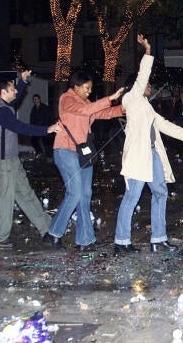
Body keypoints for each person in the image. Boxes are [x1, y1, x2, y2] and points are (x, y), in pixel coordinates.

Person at [114, 35, 183, 254]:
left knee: (160, 193)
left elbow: (162, 124)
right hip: (137, 156)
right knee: (132, 197)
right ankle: (121, 241)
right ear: (137, 86)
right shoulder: (131, 99)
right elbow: (142, 77)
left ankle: (158, 238)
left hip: (152, 154)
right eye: (147, 85)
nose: (150, 87)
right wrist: (148, 51)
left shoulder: (145, 105)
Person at [44, 71, 125, 251]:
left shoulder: (86, 102)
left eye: (90, 88)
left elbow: (103, 112)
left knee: (85, 194)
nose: (89, 91)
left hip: (83, 152)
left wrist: (123, 108)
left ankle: (85, 240)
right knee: (75, 194)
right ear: (77, 86)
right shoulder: (67, 99)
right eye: (87, 87)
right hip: (65, 150)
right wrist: (109, 97)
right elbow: (85, 111)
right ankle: (54, 232)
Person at [0, 72, 61, 248]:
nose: (15, 92)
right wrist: (47, 129)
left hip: (11, 160)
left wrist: (22, 82)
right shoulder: (0, 111)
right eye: (12, 89)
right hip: (4, 162)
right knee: (5, 198)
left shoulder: (1, 105)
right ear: (3, 92)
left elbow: (14, 100)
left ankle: (47, 228)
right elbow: (20, 127)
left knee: (26, 194)